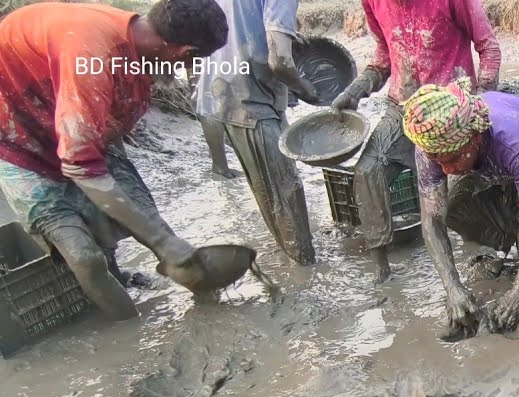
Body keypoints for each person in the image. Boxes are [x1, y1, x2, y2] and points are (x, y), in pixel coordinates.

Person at [0, 0, 247, 321]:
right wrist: (163, 242)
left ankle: (210, 309)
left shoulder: (134, 44)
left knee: (146, 219)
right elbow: (79, 163)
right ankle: (130, 331)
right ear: (184, 53)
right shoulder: (93, 56)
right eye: (192, 62)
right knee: (85, 257)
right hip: (19, 135)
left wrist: (150, 226)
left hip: (73, 120)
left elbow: (98, 140)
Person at [332, 0, 502, 282]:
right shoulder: (372, 2)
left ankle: (480, 258)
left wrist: (480, 100)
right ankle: (381, 267)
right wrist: (358, 88)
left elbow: (489, 47)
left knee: (462, 192)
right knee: (368, 170)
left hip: (451, 109)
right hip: (403, 107)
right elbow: (385, 56)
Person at [401, 79, 519, 340]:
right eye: (439, 162)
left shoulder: (517, 147)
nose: (447, 170)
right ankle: (505, 244)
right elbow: (431, 220)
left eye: (452, 159)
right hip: (485, 162)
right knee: (451, 206)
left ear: (474, 137)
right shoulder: (433, 146)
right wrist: (452, 287)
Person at [196, 0, 321, 265]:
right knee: (286, 190)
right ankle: (305, 269)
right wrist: (307, 90)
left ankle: (290, 256)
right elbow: (280, 62)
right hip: (251, 99)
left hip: (222, 92)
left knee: (267, 190)